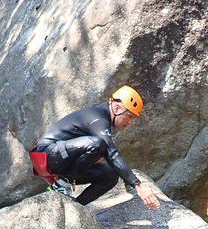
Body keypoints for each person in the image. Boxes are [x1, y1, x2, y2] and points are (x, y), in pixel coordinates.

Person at [28, 85, 159, 209]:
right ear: (117, 108)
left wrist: (125, 174)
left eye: (133, 119)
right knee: (97, 144)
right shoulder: (98, 117)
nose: (130, 122)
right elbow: (111, 153)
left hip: (59, 161)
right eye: (129, 116)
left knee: (111, 175)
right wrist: (137, 184)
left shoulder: (102, 120)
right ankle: (61, 185)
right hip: (46, 155)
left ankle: (75, 206)